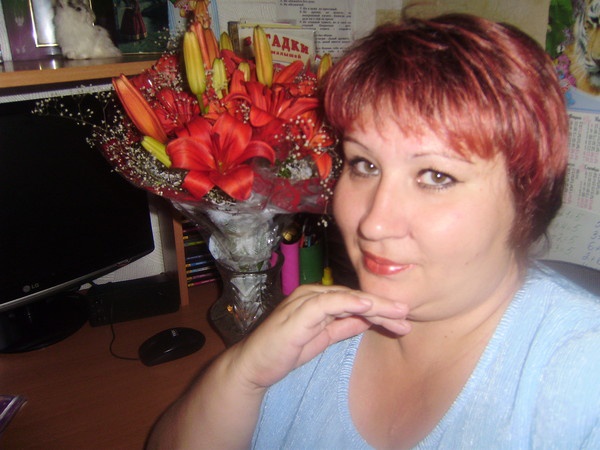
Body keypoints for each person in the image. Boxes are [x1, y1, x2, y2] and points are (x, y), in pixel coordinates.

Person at [146, 13, 600, 449]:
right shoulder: (311, 335)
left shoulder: (582, 378)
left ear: (528, 198)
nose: (373, 222)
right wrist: (242, 375)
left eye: (436, 176)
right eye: (364, 165)